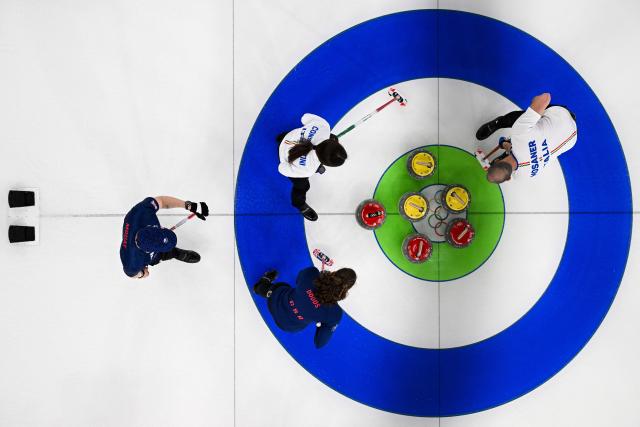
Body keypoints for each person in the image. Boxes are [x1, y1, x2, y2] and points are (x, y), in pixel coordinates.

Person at [476, 93, 577, 183]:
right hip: (562, 119)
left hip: (571, 136)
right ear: (508, 178)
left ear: (509, 178)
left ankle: (499, 122)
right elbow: (546, 97)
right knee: (525, 122)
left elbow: (546, 98)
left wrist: (506, 145)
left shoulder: (523, 176)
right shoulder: (519, 135)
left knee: (522, 120)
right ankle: (530, 118)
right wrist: (505, 144)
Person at [253, 266, 357, 348]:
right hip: (288, 326)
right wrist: (323, 322)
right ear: (345, 292)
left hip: (275, 301)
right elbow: (319, 343)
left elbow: (298, 279)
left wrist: (318, 282)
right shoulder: (335, 314)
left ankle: (260, 287)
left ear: (334, 273)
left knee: (282, 287)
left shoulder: (312, 274)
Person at [277, 113, 348, 221]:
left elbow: (304, 117)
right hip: (284, 154)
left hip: (288, 137)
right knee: (303, 185)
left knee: (333, 136)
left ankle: (282, 139)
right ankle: (299, 204)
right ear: (324, 163)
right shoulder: (308, 170)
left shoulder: (324, 126)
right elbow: (282, 168)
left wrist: (311, 133)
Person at [119, 196, 208, 279]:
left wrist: (188, 205)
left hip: (145, 247)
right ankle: (176, 253)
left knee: (165, 249)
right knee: (160, 257)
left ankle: (173, 252)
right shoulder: (132, 263)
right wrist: (142, 273)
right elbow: (133, 276)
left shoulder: (141, 212)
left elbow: (161, 201)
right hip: (146, 259)